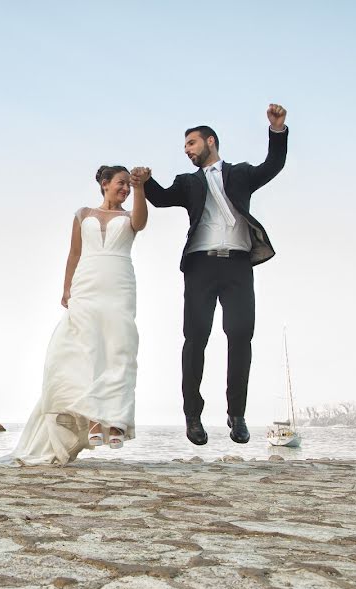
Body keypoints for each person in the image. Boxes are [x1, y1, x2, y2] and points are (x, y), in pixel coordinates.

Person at [138, 104, 288, 446]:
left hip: (237, 264)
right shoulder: (187, 182)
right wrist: (146, 183)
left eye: (191, 143)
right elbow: (160, 199)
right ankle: (193, 415)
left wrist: (277, 130)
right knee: (195, 339)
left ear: (210, 141)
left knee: (240, 337)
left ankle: (237, 414)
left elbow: (273, 165)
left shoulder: (241, 174)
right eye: (185, 147)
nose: (187, 150)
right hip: (200, 265)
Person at [0, 165, 149, 466]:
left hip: (118, 284)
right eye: (121, 183)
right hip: (86, 285)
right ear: (104, 184)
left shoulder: (129, 217)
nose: (125, 189)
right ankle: (91, 420)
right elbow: (74, 253)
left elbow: (140, 223)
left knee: (119, 349)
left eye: (128, 185)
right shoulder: (82, 214)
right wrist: (67, 288)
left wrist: (141, 188)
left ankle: (116, 422)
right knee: (85, 351)